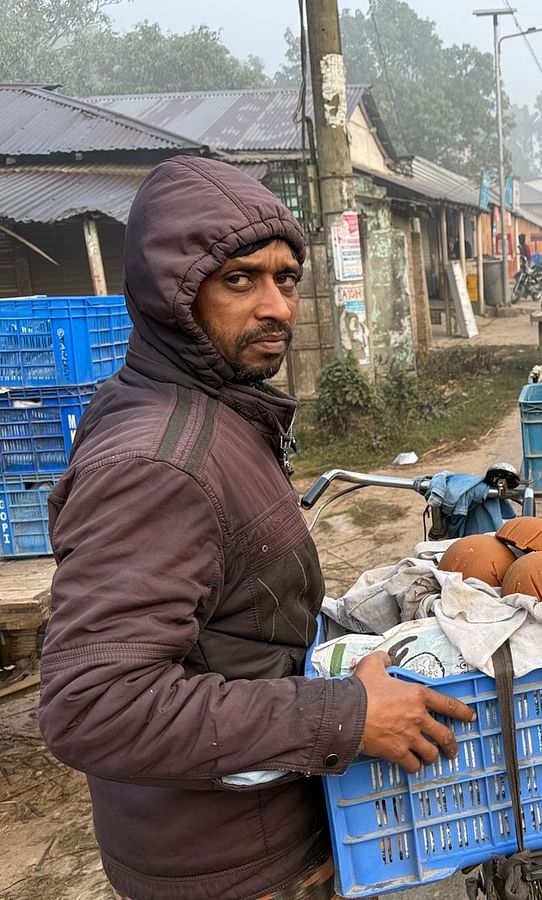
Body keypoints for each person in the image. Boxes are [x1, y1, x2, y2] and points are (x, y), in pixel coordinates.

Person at [37, 157, 476, 899]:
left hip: (256, 825)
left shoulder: (215, 408)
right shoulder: (159, 461)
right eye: (239, 280)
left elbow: (225, 615)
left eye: (285, 279)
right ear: (171, 294)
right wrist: (345, 717)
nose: (275, 305)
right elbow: (95, 705)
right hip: (228, 865)